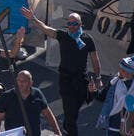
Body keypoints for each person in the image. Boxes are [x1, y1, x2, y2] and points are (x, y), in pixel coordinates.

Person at [21, 7, 101, 135]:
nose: (71, 26)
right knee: (70, 113)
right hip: (66, 80)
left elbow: (95, 60)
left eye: (74, 24)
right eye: (69, 23)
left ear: (80, 24)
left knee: (83, 103)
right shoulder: (63, 35)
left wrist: (98, 78)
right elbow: (47, 30)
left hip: (81, 78)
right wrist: (33, 18)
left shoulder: (87, 39)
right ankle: (70, 130)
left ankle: (67, 127)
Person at [92, 55, 134, 135]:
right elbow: (102, 97)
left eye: (123, 70)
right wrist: (93, 91)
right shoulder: (114, 82)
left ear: (130, 73)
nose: (119, 72)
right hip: (113, 127)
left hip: (130, 128)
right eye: (120, 69)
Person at [0, 70, 61, 135]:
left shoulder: (37, 94)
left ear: (31, 83)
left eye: (24, 81)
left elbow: (47, 114)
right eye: (18, 81)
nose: (20, 84)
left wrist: (57, 132)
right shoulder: (6, 96)